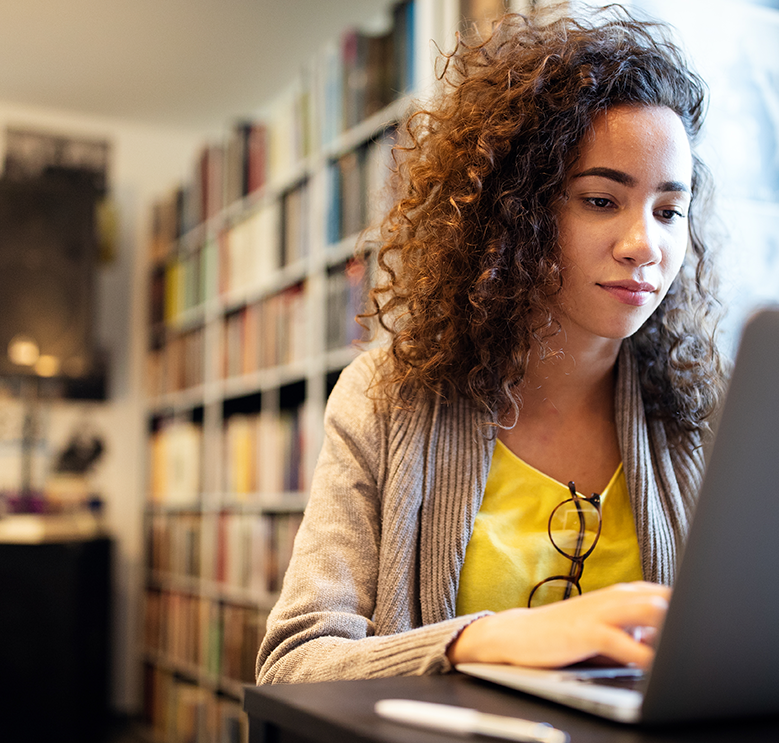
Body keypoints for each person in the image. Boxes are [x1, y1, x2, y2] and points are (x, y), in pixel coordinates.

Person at [256, 5, 727, 684]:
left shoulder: (707, 412)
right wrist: (488, 640)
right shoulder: (386, 395)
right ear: (518, 208)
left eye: (668, 211)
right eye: (601, 200)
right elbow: (292, 662)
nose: (645, 246)